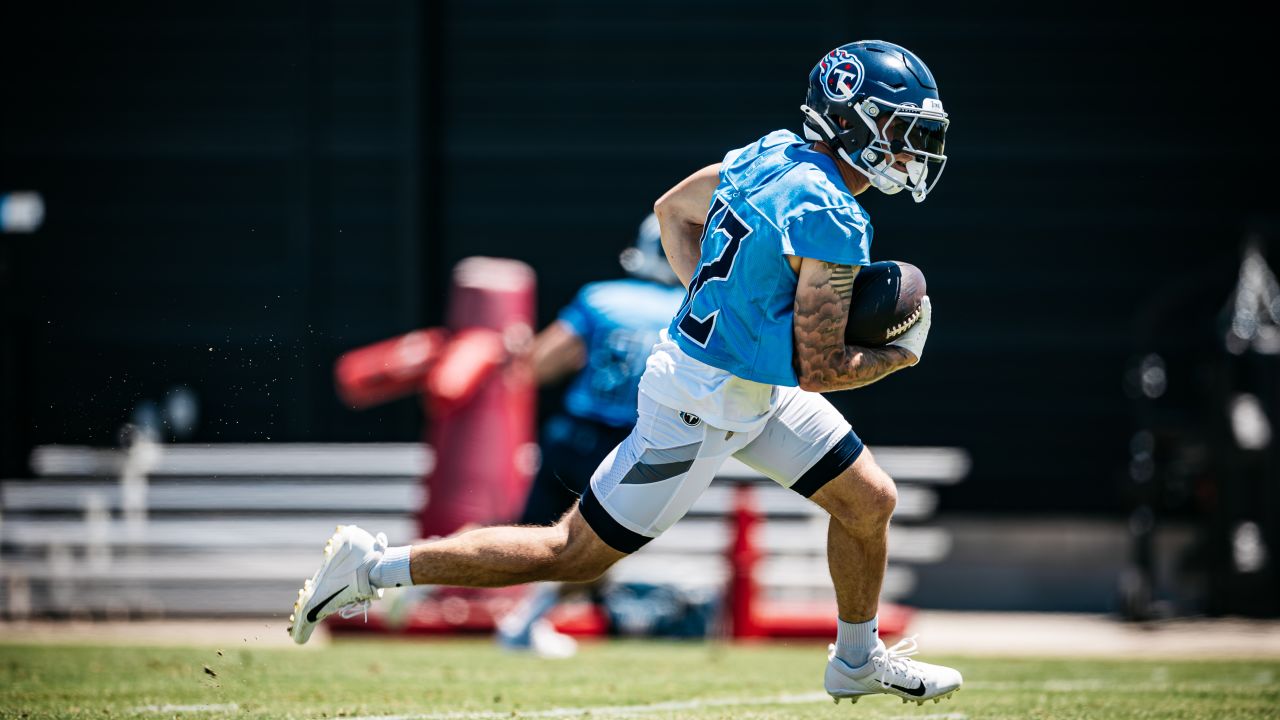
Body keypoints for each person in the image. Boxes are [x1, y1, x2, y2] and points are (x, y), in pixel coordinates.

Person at [289, 40, 962, 706]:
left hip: (747, 384)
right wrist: (902, 351)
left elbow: (671, 208)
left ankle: (855, 659)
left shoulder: (771, 152)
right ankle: (372, 567)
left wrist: (720, 308)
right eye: (902, 131)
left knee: (868, 500)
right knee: (569, 553)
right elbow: (820, 368)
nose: (913, 150)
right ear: (850, 121)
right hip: (702, 401)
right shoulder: (833, 215)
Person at [494, 213, 686, 657]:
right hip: (632, 443)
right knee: (599, 546)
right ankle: (527, 620)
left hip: (571, 434)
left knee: (533, 532)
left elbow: (537, 365)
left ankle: (448, 581)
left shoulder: (601, 298)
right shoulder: (691, 310)